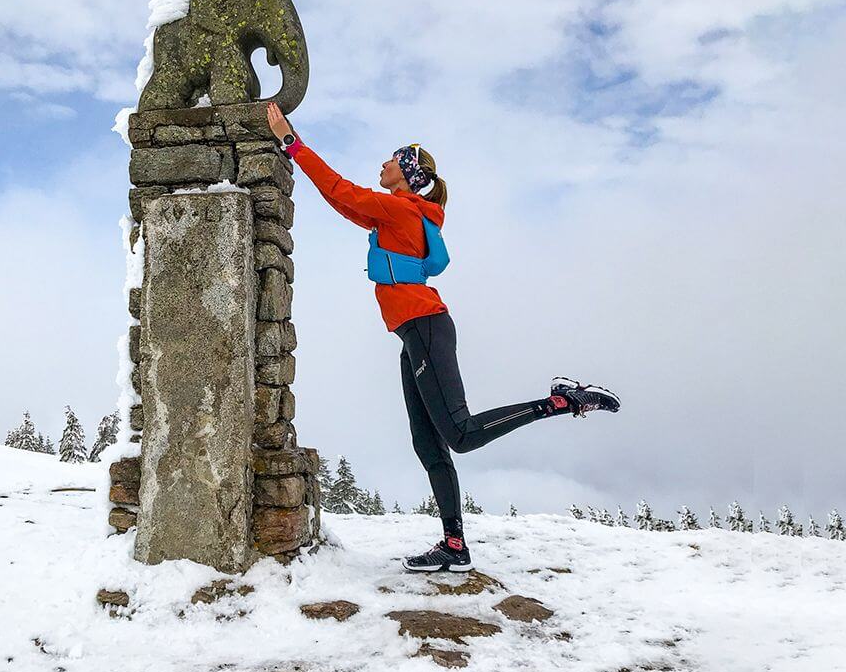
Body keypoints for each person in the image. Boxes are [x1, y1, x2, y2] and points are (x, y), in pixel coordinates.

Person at [265, 102, 621, 572]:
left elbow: (341, 190)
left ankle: (560, 402)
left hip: (427, 328)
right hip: (414, 335)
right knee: (427, 442)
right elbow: (342, 201)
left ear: (408, 175)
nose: (384, 164)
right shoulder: (396, 214)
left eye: (393, 160)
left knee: (460, 433)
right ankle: (454, 545)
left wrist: (292, 142)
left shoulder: (401, 210)